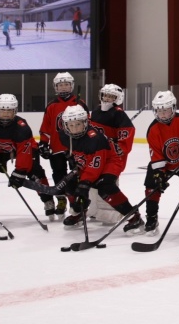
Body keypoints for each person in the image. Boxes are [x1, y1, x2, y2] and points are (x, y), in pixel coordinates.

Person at [47, 106, 137, 228]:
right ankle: (79, 212)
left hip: (109, 163)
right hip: (88, 163)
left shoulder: (95, 138)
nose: (74, 129)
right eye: (71, 125)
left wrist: (85, 183)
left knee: (105, 188)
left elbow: (96, 165)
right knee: (70, 185)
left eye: (78, 124)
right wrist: (74, 159)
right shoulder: (64, 135)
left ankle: (133, 216)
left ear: (85, 122)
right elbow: (76, 151)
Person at [0, 93, 55, 220]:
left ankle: (48, 200)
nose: (5, 114)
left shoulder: (22, 128)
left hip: (23, 150)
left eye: (9, 111)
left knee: (35, 172)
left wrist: (19, 172)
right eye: (2, 110)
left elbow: (24, 152)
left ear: (15, 111)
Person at [135, 91, 179, 235]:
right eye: (159, 111)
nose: (163, 114)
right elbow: (156, 155)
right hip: (164, 164)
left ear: (173, 108)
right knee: (151, 185)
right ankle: (152, 218)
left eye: (166, 110)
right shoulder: (153, 129)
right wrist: (159, 174)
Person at [39, 72, 88, 219]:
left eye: (66, 84)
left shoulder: (80, 103)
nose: (63, 87)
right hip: (57, 147)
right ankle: (61, 199)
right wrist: (43, 143)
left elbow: (87, 124)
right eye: (60, 85)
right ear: (56, 87)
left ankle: (75, 201)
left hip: (75, 147)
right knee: (58, 175)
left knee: (74, 176)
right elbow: (46, 127)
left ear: (71, 85)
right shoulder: (52, 105)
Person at [88, 84, 136, 225]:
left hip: (111, 158)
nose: (107, 98)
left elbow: (126, 134)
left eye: (111, 96)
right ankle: (93, 210)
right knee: (92, 184)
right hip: (97, 155)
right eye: (105, 95)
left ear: (117, 99)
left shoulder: (119, 114)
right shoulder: (96, 112)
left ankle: (109, 214)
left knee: (108, 184)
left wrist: (118, 147)